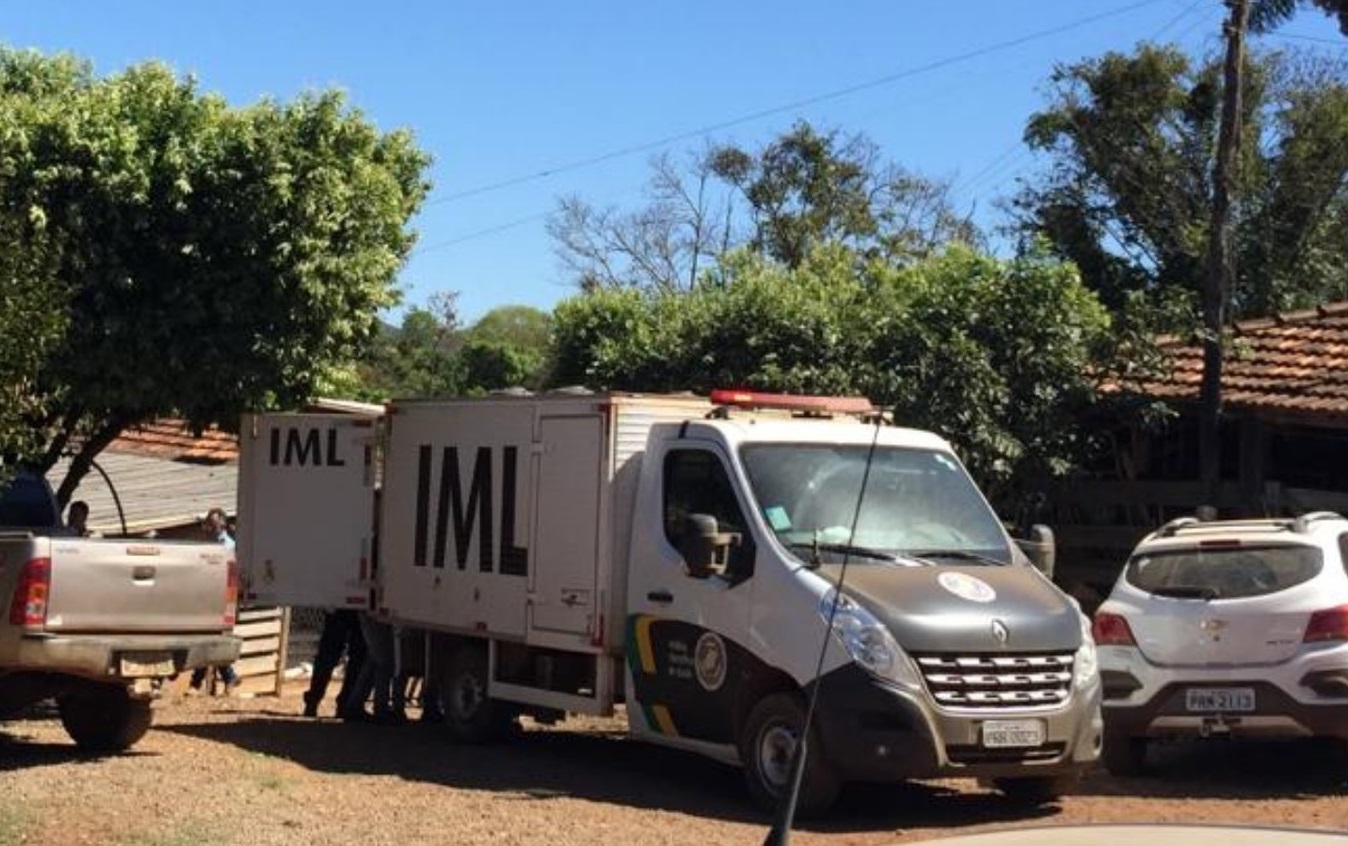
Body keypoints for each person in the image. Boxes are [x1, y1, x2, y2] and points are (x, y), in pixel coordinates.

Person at [191, 506, 240, 694]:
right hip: (209, 596)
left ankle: (198, 683)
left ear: (223, 524)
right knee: (207, 638)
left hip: (223, 596)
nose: (212, 527)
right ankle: (227, 678)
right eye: (210, 524)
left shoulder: (228, 546)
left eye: (214, 524)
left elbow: (230, 574)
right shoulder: (209, 544)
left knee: (214, 638)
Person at [302, 608, 367, 718]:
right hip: (358, 609)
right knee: (357, 656)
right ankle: (345, 703)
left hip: (339, 607)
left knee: (329, 654)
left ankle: (313, 700)